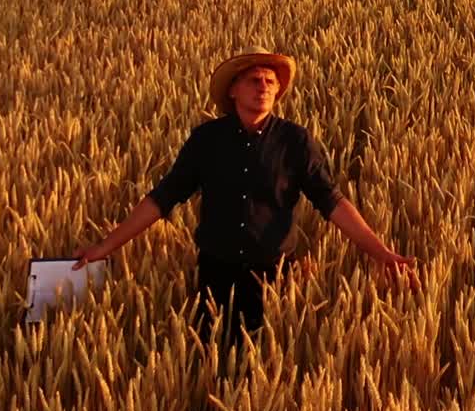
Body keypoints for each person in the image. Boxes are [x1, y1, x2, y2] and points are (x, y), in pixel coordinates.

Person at [74, 46, 417, 344]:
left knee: (263, 369)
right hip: (215, 276)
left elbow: (332, 203)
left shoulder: (295, 142)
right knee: (208, 360)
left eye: (270, 82)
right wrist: (104, 247)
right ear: (234, 90)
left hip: (273, 278)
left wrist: (382, 253)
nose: (264, 87)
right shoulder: (206, 140)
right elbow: (163, 198)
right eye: (254, 80)